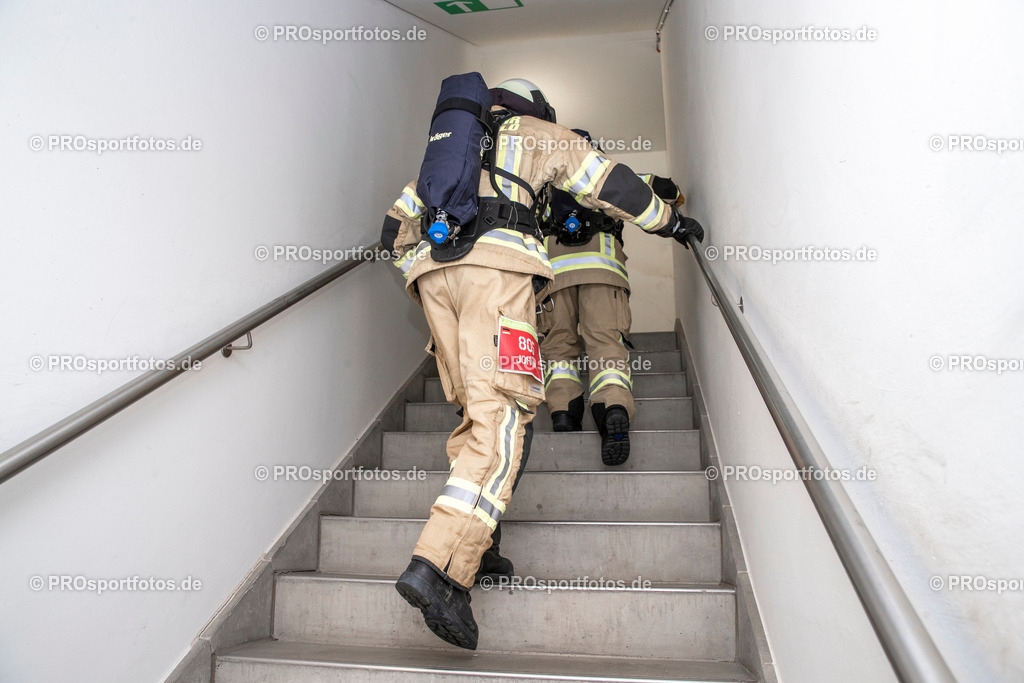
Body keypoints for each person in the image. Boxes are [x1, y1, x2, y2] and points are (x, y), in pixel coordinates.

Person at [379, 75, 704, 651]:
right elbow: (611, 184)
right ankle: (438, 568)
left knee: (474, 419)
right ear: (535, 109)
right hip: (495, 280)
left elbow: (391, 233)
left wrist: (421, 276)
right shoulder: (536, 134)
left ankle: (481, 548)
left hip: (436, 283)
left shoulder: (447, 154)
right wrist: (671, 222)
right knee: (503, 421)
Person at [538, 131, 685, 466]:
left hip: (553, 277)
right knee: (605, 342)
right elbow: (663, 188)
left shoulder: (543, 187)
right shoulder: (609, 176)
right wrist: (677, 198)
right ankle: (612, 407)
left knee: (558, 346)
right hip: (603, 270)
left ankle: (563, 411)